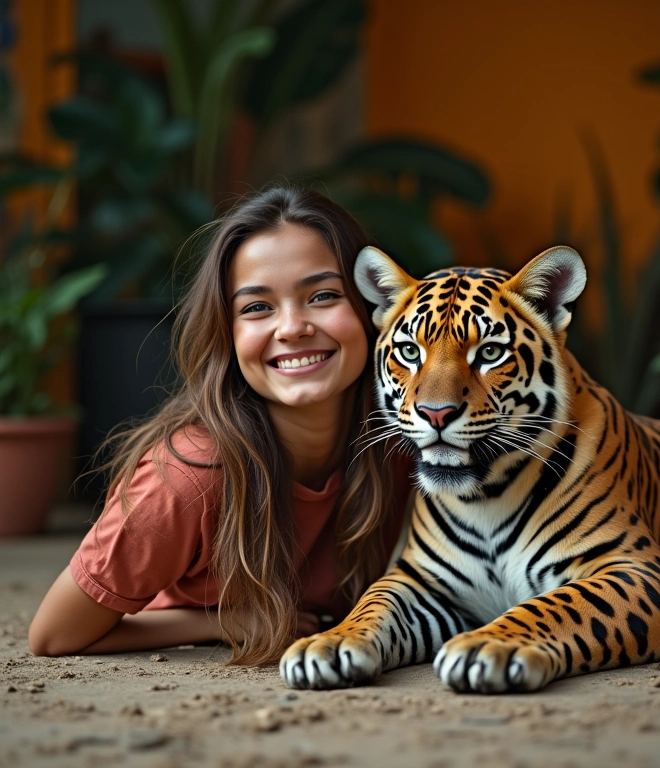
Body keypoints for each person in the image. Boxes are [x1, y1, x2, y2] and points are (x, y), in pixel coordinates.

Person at [28, 186, 413, 664]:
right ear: (227, 336)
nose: (292, 327)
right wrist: (219, 621)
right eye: (257, 307)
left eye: (324, 295)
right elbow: (53, 635)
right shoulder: (187, 478)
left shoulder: (400, 440)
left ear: (377, 308)